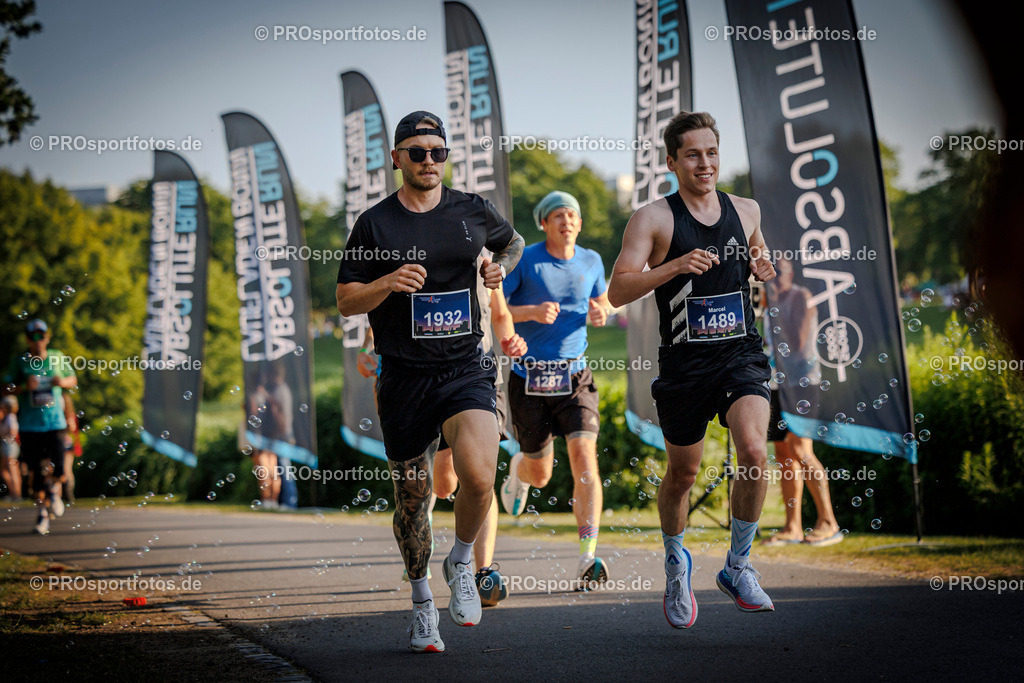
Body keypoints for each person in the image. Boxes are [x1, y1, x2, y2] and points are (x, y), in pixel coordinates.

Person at [336, 110, 524, 653]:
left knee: (480, 476)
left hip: (465, 366)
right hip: (402, 375)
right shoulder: (375, 224)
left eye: (437, 152)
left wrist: (500, 270)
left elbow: (511, 246)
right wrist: (389, 282)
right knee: (414, 499)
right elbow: (346, 300)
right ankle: (421, 604)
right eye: (416, 152)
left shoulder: (471, 209)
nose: (428, 161)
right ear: (397, 158)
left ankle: (462, 562)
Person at [608, 111, 777, 629]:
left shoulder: (745, 210)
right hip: (684, 364)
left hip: (740, 354)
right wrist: (675, 266)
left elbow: (759, 261)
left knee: (752, 449)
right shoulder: (653, 218)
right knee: (682, 472)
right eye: (693, 155)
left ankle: (738, 565)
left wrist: (764, 269)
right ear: (672, 161)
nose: (704, 163)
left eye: (711, 153)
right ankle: (676, 561)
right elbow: (618, 291)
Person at [499, 190, 612, 586]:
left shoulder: (592, 260)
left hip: (575, 376)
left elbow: (604, 301)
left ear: (580, 223)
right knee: (541, 474)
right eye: (557, 215)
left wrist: (603, 310)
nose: (566, 220)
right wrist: (529, 311)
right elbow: (495, 307)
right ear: (544, 223)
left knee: (584, 456)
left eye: (572, 215)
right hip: (528, 378)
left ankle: (587, 556)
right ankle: (520, 469)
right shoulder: (525, 259)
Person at [763, 258, 841, 546]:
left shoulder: (801, 297)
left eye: (778, 275)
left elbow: (797, 343)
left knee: (801, 449)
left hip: (802, 383)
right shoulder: (768, 299)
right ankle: (792, 527)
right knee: (783, 452)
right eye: (769, 276)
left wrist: (772, 305)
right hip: (774, 382)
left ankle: (828, 522)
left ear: (790, 274)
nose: (774, 281)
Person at [3, 320, 77, 535]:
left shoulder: (57, 356)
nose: (38, 340)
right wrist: (25, 386)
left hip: (55, 423)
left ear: (48, 336)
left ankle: (53, 493)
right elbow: (5, 388)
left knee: (61, 469)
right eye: (33, 336)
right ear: (27, 339)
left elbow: (72, 378)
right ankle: (42, 514)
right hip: (29, 426)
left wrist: (61, 382)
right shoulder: (20, 361)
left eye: (41, 335)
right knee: (34, 473)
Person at [1, 395, 21, 502]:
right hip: (7, 445)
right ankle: (14, 493)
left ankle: (16, 494)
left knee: (12, 470)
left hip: (10, 445)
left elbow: (13, 432)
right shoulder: (6, 418)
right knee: (5, 470)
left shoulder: (10, 417)